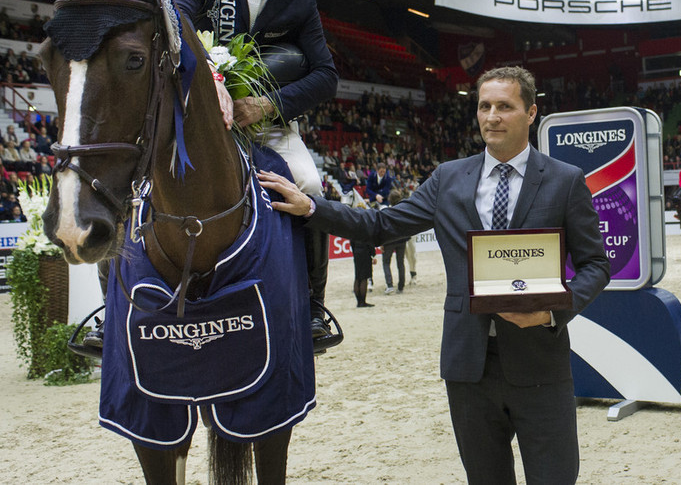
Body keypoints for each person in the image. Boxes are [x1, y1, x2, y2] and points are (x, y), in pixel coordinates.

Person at [260, 66, 610, 484]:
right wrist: (312, 207)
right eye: (484, 106)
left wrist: (552, 313)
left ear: (531, 112)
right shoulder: (448, 178)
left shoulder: (565, 181)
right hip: (468, 366)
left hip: (540, 362)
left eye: (505, 106)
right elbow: (381, 225)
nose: (492, 116)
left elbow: (596, 265)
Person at [170, 0, 340, 351]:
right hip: (197, 115)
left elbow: (326, 76)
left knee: (308, 186)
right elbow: (175, 15)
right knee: (136, 184)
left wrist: (268, 105)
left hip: (268, 123)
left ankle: (312, 308)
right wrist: (211, 79)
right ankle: (113, 308)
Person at [380, 189, 409, 294]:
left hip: (389, 241)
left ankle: (389, 284)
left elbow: (383, 228)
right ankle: (401, 286)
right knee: (400, 263)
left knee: (386, 262)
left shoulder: (387, 211)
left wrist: (382, 243)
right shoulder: (404, 211)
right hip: (401, 239)